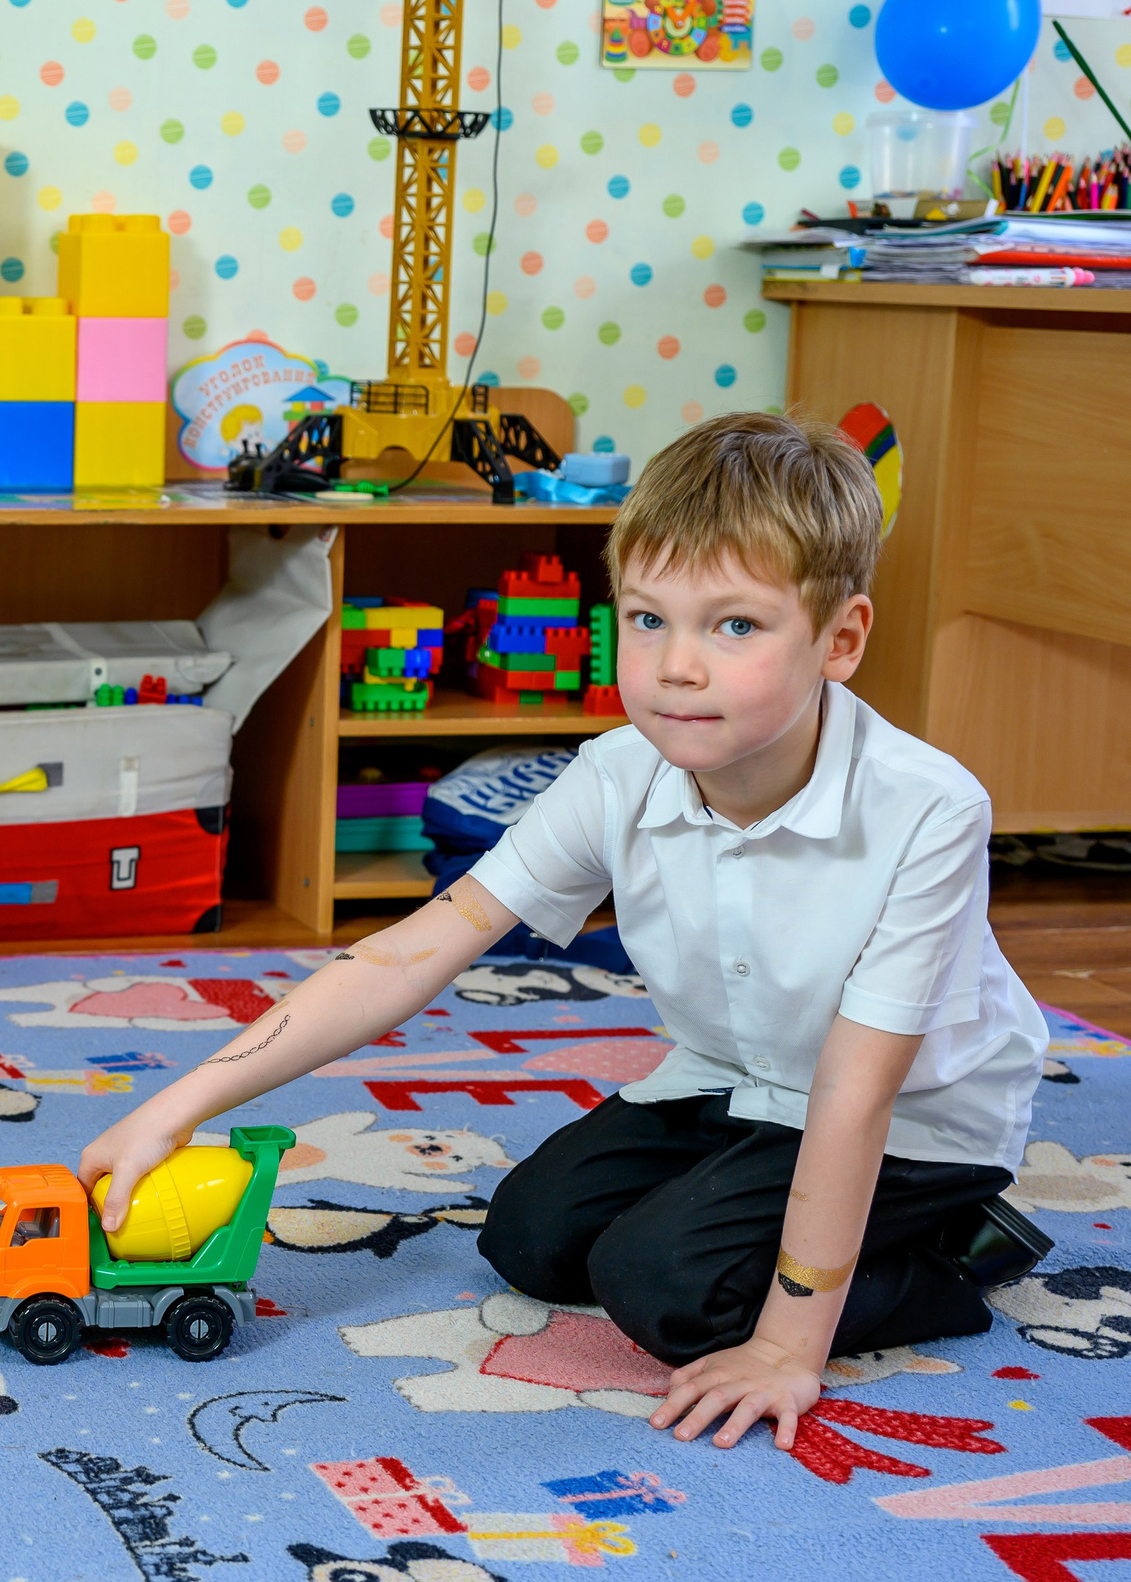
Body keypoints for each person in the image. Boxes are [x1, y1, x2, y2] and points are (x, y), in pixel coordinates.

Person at [78, 411, 1049, 1455]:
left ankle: (949, 1253)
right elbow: (410, 949)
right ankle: (746, 1218)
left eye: (734, 626)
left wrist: (788, 1340)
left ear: (840, 639)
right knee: (531, 1235)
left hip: (912, 1118)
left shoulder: (927, 809)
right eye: (645, 618)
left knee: (663, 1288)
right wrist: (176, 1106)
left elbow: (855, 1092)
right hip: (735, 1078)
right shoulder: (615, 773)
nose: (676, 665)